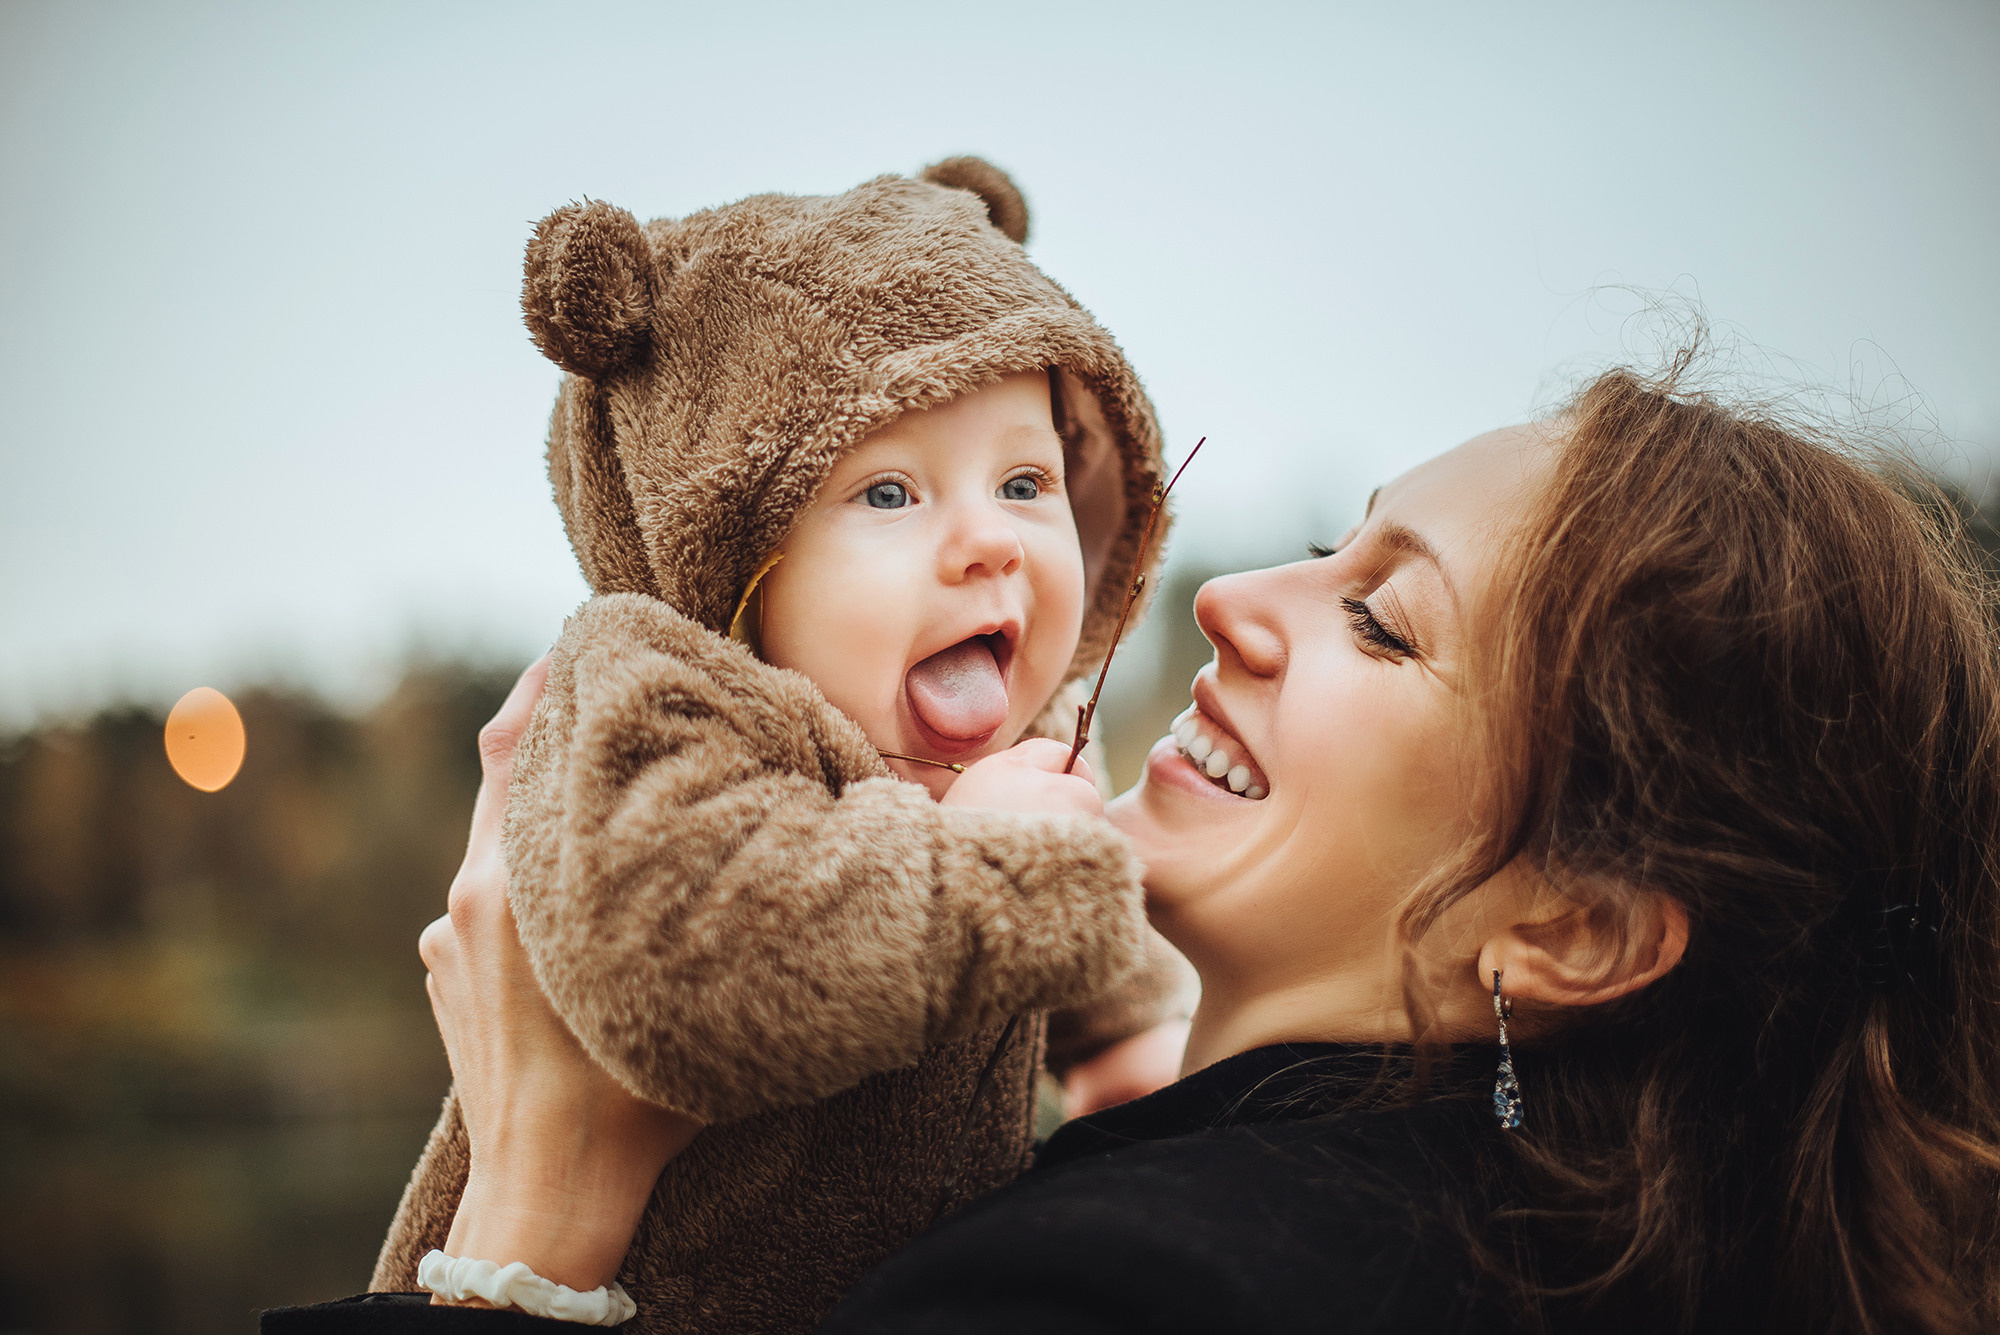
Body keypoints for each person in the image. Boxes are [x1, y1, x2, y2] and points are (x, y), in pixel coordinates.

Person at [270, 363, 2000, 1334]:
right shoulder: (1584, 1257)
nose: (1234, 600)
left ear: (1582, 926)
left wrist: (531, 1221)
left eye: (1385, 624)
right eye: (1328, 548)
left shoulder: (1116, 1295)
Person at [367, 159, 1195, 1335]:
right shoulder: (658, 701)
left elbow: (1077, 906)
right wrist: (985, 864)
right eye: (889, 495)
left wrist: (1125, 1041)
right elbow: (677, 964)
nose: (988, 544)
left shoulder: (1031, 732)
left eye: (1024, 480)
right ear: (731, 553)